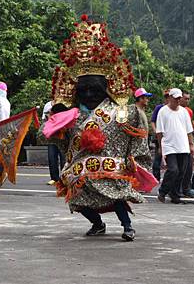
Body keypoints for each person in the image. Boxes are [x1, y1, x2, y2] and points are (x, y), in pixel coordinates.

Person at [46, 15, 152, 241]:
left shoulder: (125, 112)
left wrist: (133, 159)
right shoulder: (71, 115)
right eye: (83, 90)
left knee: (115, 194)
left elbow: (138, 138)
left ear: (107, 87)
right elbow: (56, 139)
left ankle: (127, 226)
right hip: (80, 169)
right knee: (76, 199)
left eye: (94, 89)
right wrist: (56, 122)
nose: (89, 94)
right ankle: (97, 223)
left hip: (110, 166)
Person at [156, 88, 194, 204]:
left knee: (181, 172)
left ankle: (175, 195)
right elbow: (159, 132)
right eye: (176, 98)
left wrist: (191, 144)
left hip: (183, 145)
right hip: (169, 145)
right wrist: (160, 146)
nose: (178, 100)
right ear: (170, 98)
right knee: (173, 170)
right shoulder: (163, 111)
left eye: (179, 98)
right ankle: (163, 191)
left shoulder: (184, 112)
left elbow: (189, 130)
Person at [150, 90, 170, 181]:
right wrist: (156, 131)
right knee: (158, 157)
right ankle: (156, 177)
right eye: (166, 97)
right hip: (160, 136)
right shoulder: (159, 108)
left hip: (170, 137)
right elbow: (153, 121)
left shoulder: (175, 109)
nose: (168, 99)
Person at [132, 88, 153, 171]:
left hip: (143, 144)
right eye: (146, 98)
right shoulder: (135, 111)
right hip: (137, 148)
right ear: (140, 98)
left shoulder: (141, 110)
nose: (147, 100)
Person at [179, 90, 194, 197]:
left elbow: (189, 129)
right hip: (177, 142)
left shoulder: (189, 111)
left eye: (188, 99)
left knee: (189, 167)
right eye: (185, 98)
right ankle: (177, 188)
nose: (187, 101)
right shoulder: (172, 110)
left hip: (186, 142)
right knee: (179, 168)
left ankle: (186, 188)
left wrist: (192, 144)